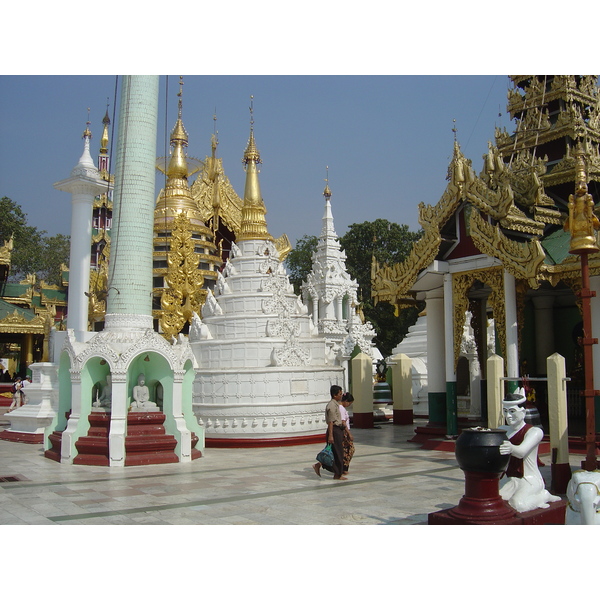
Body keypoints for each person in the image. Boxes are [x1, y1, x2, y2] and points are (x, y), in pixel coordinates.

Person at [499, 392, 561, 512]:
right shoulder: (503, 430)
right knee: (494, 499)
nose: (508, 416)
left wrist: (511, 448)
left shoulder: (534, 432)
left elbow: (521, 452)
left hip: (529, 478)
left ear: (523, 412)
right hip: (510, 478)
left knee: (518, 504)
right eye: (505, 411)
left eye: (512, 411)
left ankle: (544, 495)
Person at [313, 385, 347, 480]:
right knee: (338, 453)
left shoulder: (336, 404)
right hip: (334, 431)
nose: (341, 396)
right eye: (340, 394)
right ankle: (337, 474)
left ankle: (320, 465)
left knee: (335, 452)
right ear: (334, 395)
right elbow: (331, 422)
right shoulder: (332, 406)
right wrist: (331, 435)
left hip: (338, 430)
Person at [340, 392, 355, 476]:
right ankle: (344, 468)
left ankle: (344, 468)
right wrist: (349, 433)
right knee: (349, 449)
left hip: (345, 431)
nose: (349, 405)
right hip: (344, 432)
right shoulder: (341, 408)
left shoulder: (342, 408)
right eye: (349, 403)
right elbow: (343, 422)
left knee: (346, 450)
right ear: (345, 401)